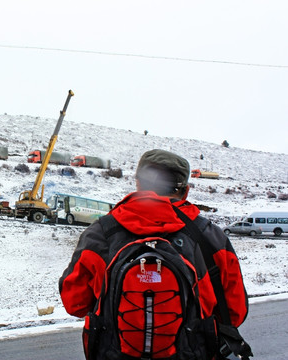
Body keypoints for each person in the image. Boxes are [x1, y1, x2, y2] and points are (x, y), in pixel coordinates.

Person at [59, 149, 248, 358]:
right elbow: (234, 313)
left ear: (138, 184)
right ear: (185, 191)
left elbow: (74, 303)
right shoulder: (210, 237)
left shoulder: (102, 233)